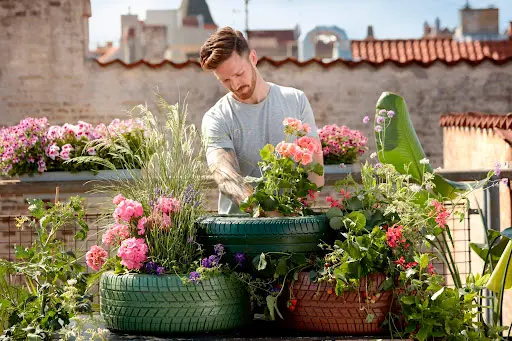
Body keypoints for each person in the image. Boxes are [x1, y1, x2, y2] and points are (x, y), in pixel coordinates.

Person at [199, 26, 324, 215]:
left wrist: (297, 214)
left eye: (239, 74)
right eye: (225, 80)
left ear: (253, 58)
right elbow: (225, 174)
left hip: (292, 229)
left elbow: (315, 173)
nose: (235, 85)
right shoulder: (216, 117)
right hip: (239, 233)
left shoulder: (296, 100)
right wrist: (268, 214)